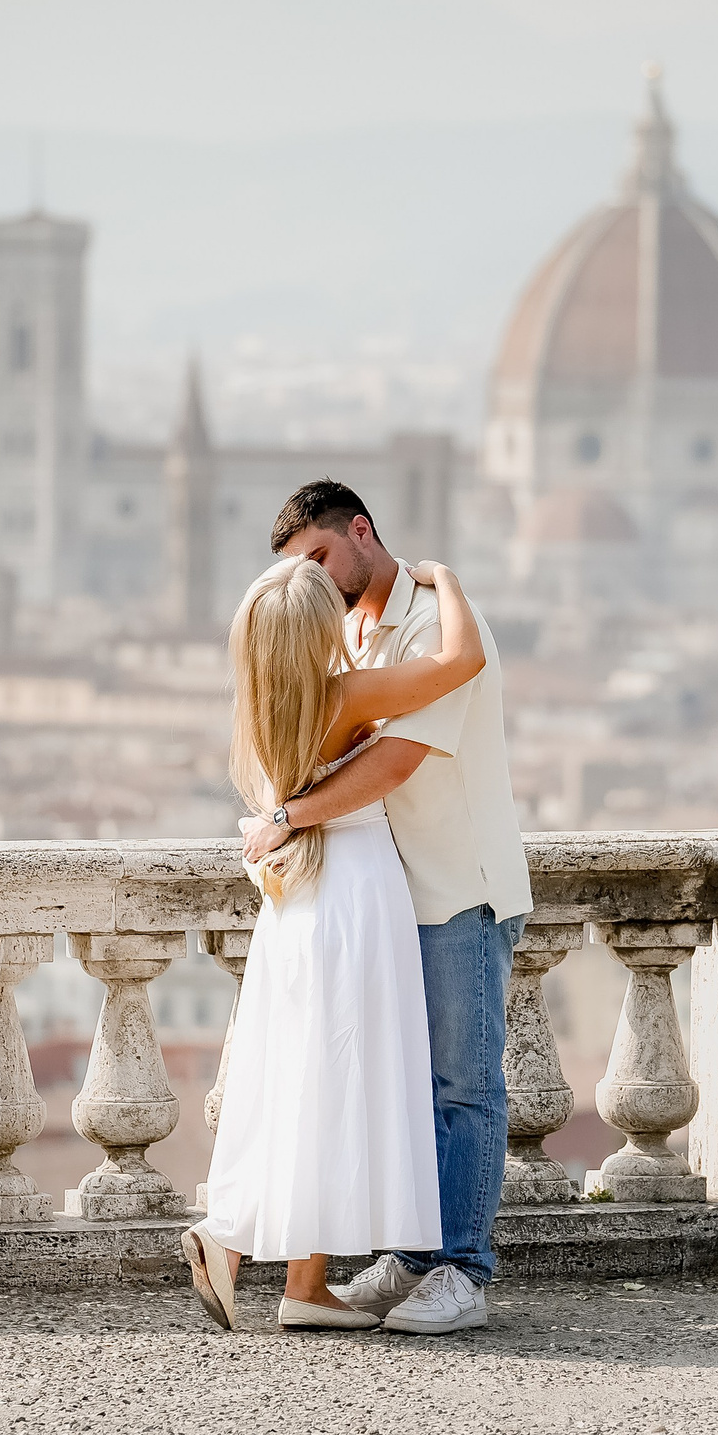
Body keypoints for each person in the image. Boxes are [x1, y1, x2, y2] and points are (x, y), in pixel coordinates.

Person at [245, 480, 531, 1337]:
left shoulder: (432, 621)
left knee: (464, 1084)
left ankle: (465, 1270)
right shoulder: (351, 632)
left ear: (361, 531)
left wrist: (288, 817)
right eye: (299, 570)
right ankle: (414, 1256)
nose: (315, 581)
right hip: (391, 894)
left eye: (320, 557)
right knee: (408, 1083)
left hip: (457, 887)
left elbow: (398, 759)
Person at [182, 549, 492, 1332]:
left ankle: (294, 1275)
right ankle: (261, 1257)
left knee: (298, 1078)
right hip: (353, 894)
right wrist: (444, 578)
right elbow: (462, 658)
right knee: (339, 1078)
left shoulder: (257, 712)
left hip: (293, 912)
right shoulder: (345, 695)